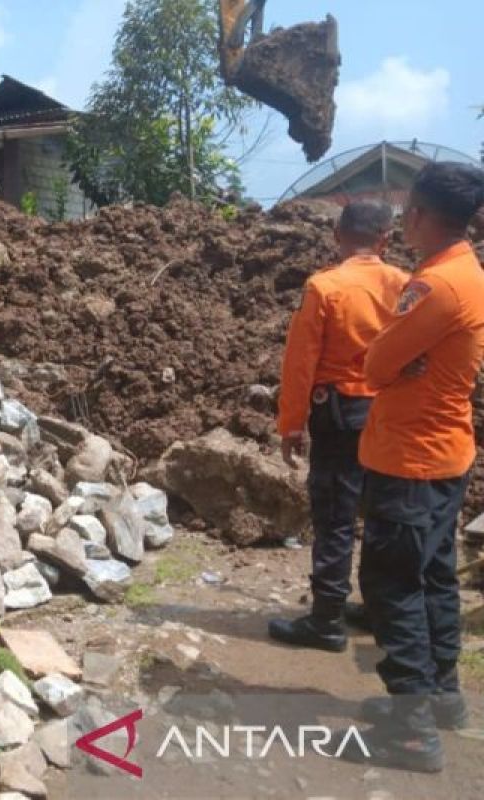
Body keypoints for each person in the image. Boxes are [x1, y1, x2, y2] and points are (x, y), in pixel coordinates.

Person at [344, 162, 484, 773]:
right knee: (431, 577)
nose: (402, 220)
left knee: (392, 585)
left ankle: (411, 731)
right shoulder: (466, 272)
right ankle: (441, 698)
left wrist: (394, 361)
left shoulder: (436, 287)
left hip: (410, 460)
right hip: (442, 454)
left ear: (422, 215)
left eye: (407, 211)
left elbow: (374, 366)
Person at [268, 201, 407, 652]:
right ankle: (377, 608)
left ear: (337, 235)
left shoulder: (325, 287)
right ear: (386, 238)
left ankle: (326, 619)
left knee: (335, 516)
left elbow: (300, 361)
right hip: (390, 412)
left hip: (340, 415)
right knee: (384, 514)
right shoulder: (407, 286)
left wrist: (291, 424)